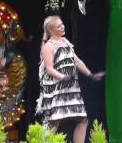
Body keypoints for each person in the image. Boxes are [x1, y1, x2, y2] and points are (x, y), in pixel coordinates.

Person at [36, 15, 105, 143]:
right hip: (57, 88)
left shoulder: (65, 42)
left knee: (83, 120)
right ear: (51, 30)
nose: (63, 27)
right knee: (54, 121)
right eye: (59, 26)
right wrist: (63, 77)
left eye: (62, 24)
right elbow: (50, 68)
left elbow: (77, 61)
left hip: (72, 88)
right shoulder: (49, 46)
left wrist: (90, 75)